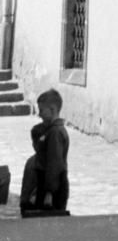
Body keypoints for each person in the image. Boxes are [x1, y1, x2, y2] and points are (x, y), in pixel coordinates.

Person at [19, 88, 70, 216]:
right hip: (47, 184)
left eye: (41, 110)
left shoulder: (55, 133)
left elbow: (54, 164)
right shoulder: (51, 131)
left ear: (52, 109)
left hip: (53, 188)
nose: (39, 115)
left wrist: (49, 193)